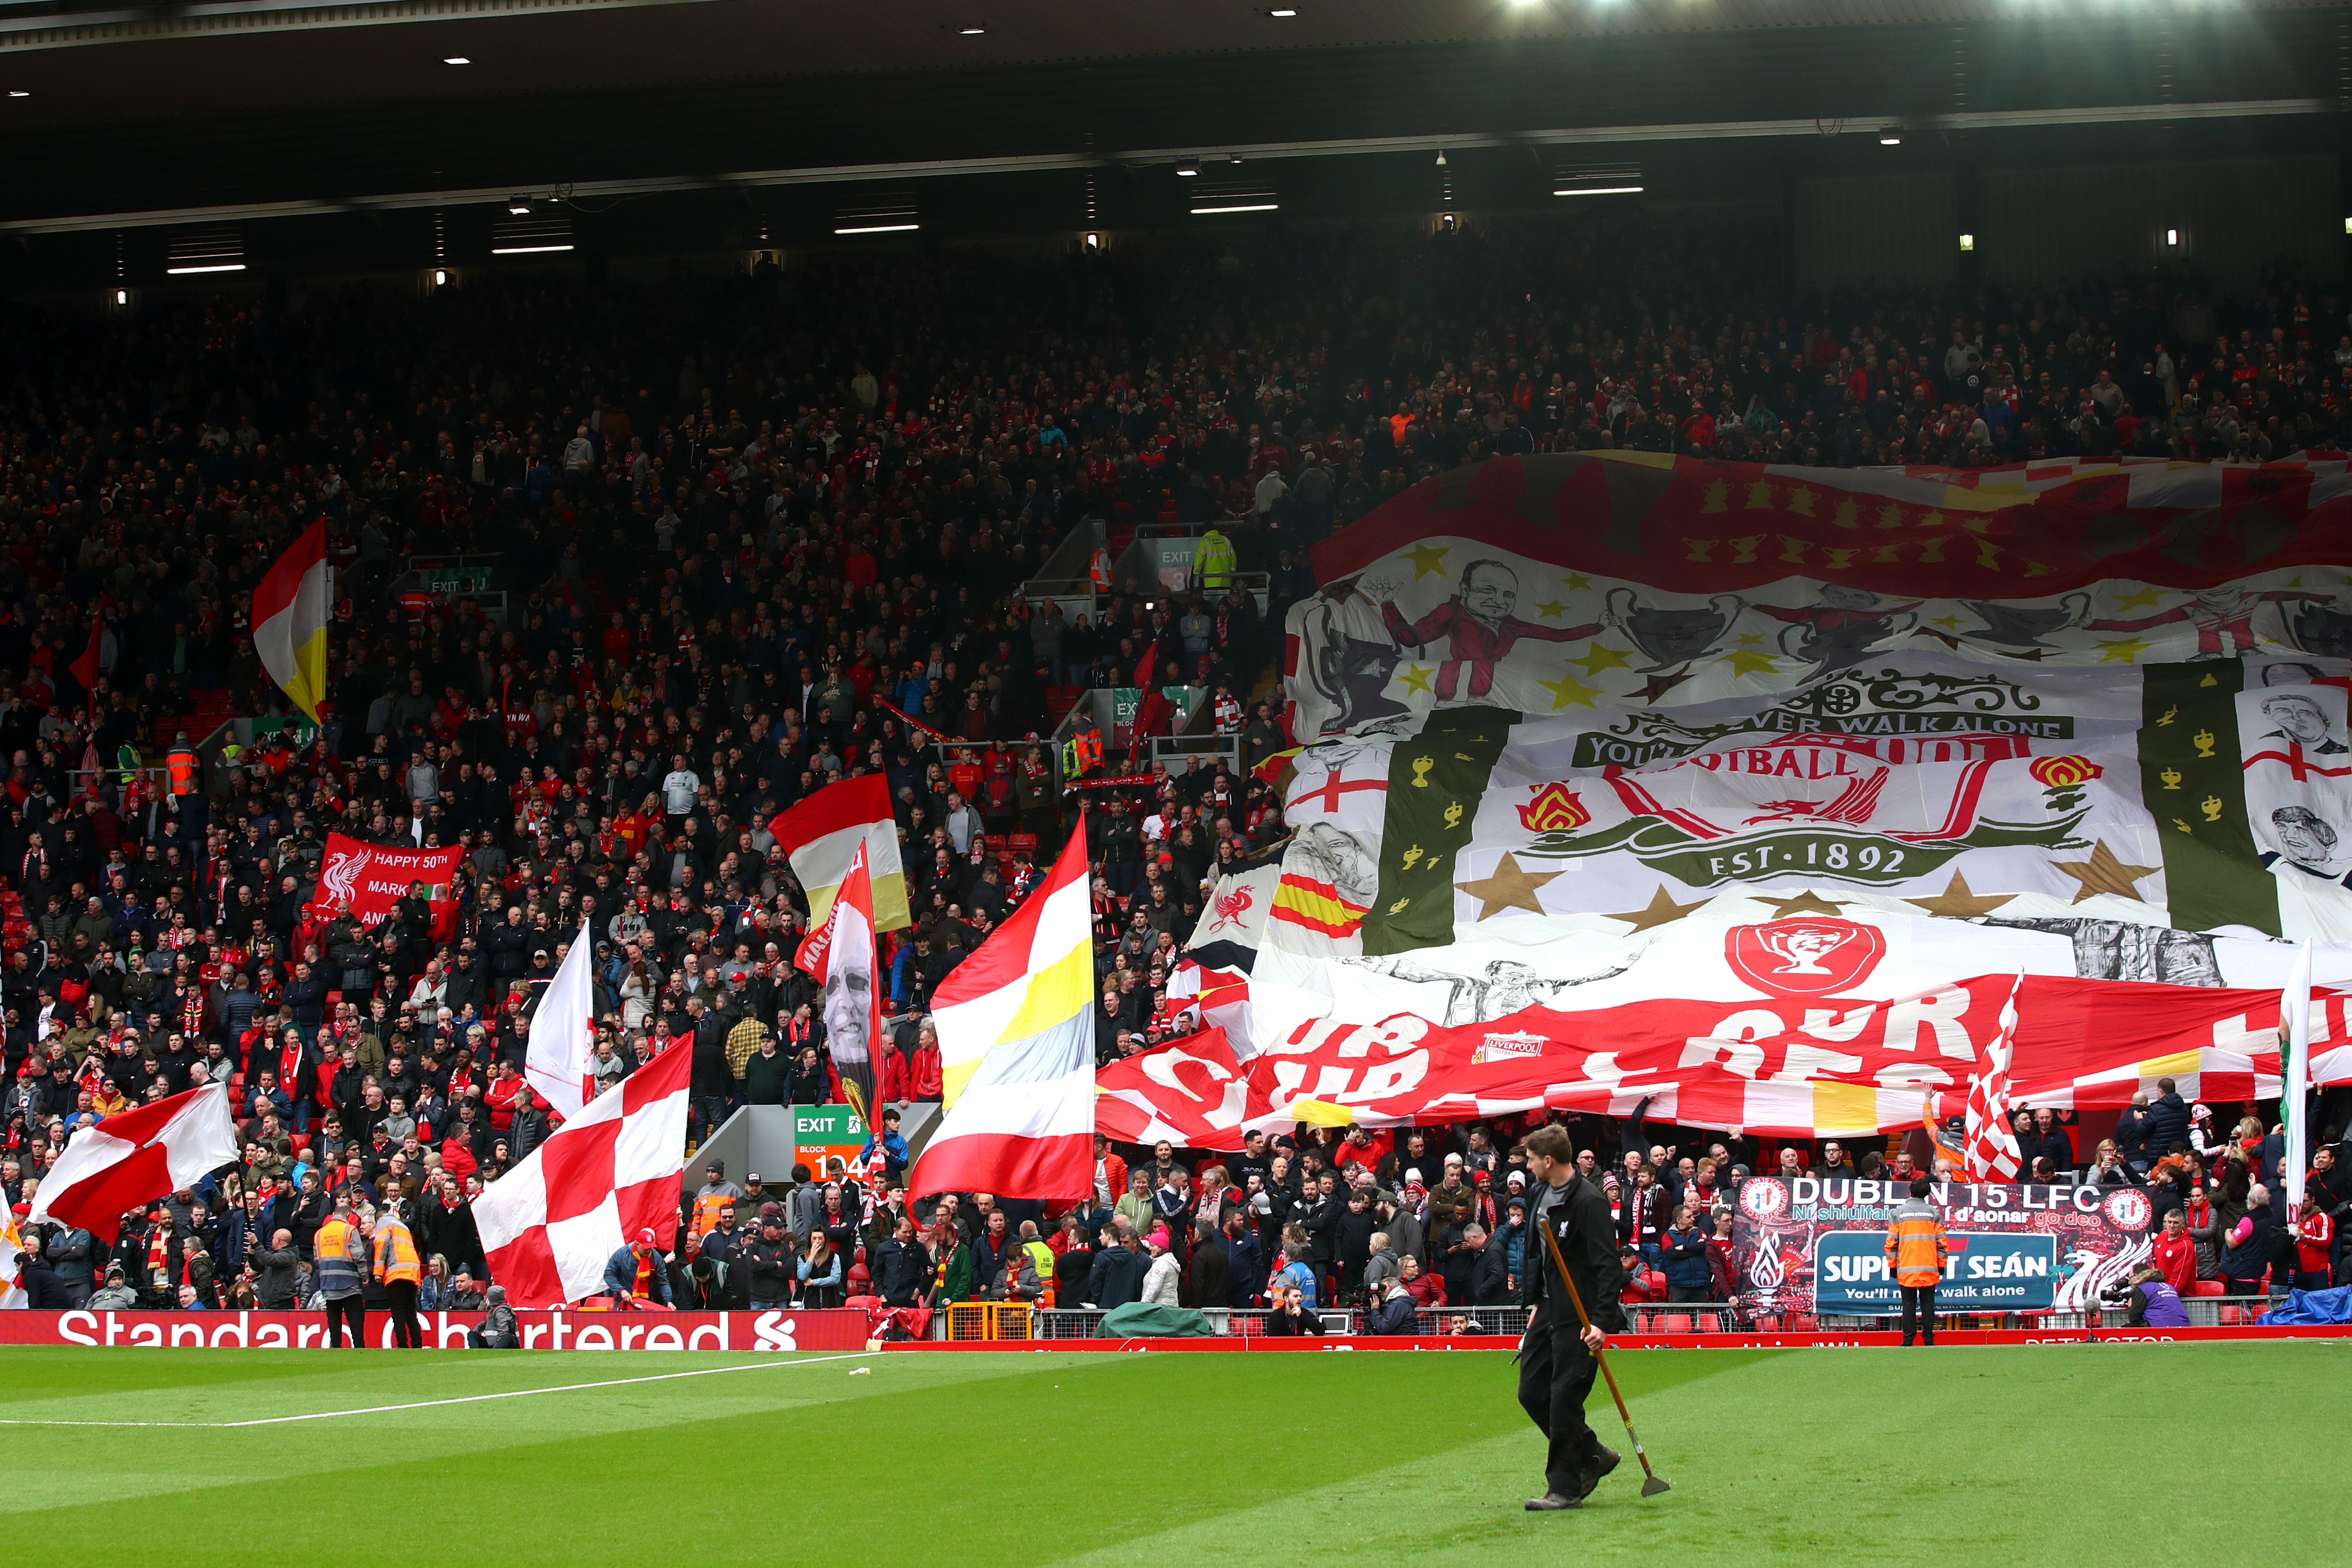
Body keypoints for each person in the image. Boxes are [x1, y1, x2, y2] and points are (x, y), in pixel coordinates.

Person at [1515, 1122, 1627, 1513]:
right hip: (1548, 1310)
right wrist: (1533, 1304)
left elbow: (1609, 1267)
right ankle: (1593, 1453)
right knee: (1531, 1391)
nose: (1527, 1166)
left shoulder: (1590, 1201)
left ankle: (1564, 1488)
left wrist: (1601, 1323)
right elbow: (1537, 1255)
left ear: (1548, 1160)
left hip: (1580, 1318)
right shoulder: (1540, 1192)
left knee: (1564, 1399)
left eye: (1530, 1160)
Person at [1883, 1177, 1949, 1346]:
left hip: (1906, 1268)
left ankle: (1908, 1340)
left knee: (1908, 1305)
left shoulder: (1898, 1213)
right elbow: (1942, 1243)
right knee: (1928, 1305)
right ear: (1927, 1194)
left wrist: (1892, 1266)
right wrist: (1941, 1265)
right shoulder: (1933, 1213)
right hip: (1929, 1267)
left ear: (1910, 1192)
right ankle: (1928, 1339)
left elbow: (1891, 1243)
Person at [314, 1199, 369, 1348]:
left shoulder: (319, 1234)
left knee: (333, 1320)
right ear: (348, 1214)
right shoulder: (350, 1230)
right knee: (356, 1319)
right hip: (349, 1282)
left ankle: (337, 1348)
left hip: (328, 1283)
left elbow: (317, 1259)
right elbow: (359, 1257)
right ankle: (359, 1349)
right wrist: (365, 1277)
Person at [372, 1201, 424, 1349]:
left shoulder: (383, 1222)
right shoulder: (403, 1226)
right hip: (412, 1271)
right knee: (410, 1311)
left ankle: (402, 1344)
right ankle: (417, 1343)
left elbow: (382, 1246)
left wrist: (378, 1272)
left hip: (397, 1271)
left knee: (398, 1311)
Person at [604, 1226, 674, 1307]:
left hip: (645, 1303)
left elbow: (663, 1281)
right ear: (637, 1244)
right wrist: (621, 1291)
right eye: (646, 1248)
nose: (649, 1250)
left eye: (651, 1247)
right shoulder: (622, 1254)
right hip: (623, 1301)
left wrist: (669, 1301)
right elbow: (608, 1275)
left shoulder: (656, 1258)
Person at [2122, 1264, 2190, 1328]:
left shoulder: (2143, 1288)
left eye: (2130, 1278)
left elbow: (2134, 1317)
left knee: (2123, 1330)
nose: (2129, 1283)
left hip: (2158, 1326)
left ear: (2137, 1276)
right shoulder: (2169, 1287)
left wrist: (2132, 1306)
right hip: (2184, 1325)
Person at [466, 1284, 521, 1349]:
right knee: (472, 1335)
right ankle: (476, 1353)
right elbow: (484, 1323)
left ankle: (495, 1352)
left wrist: (495, 1347)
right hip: (492, 1342)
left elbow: (503, 1332)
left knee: (507, 1336)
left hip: (504, 1344)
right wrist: (475, 1331)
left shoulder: (502, 1311)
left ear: (492, 1298)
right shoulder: (493, 1309)